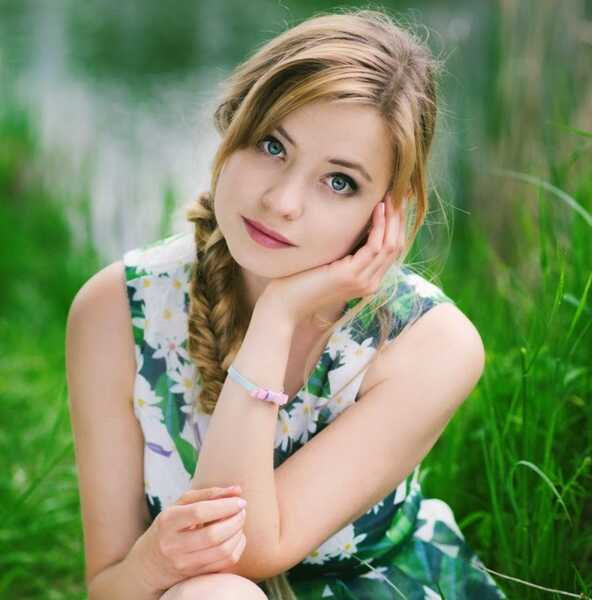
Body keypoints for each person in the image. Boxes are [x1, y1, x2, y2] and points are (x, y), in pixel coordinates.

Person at [66, 8, 508, 600]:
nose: (282, 200)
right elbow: (108, 586)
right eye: (273, 145)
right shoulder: (118, 310)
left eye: (339, 181)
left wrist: (276, 316)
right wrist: (151, 565)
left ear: (387, 210)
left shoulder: (430, 344)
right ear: (233, 124)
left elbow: (247, 550)